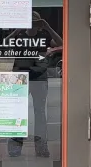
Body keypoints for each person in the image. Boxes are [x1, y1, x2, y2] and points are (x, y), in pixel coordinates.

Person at [4, 11, 62, 158]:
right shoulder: (19, 36)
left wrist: (47, 27)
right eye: (29, 21)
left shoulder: (44, 36)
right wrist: (18, 29)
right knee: (18, 112)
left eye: (35, 22)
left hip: (39, 77)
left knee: (40, 112)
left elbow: (60, 44)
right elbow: (4, 44)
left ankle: (41, 147)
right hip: (20, 77)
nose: (31, 24)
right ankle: (16, 146)